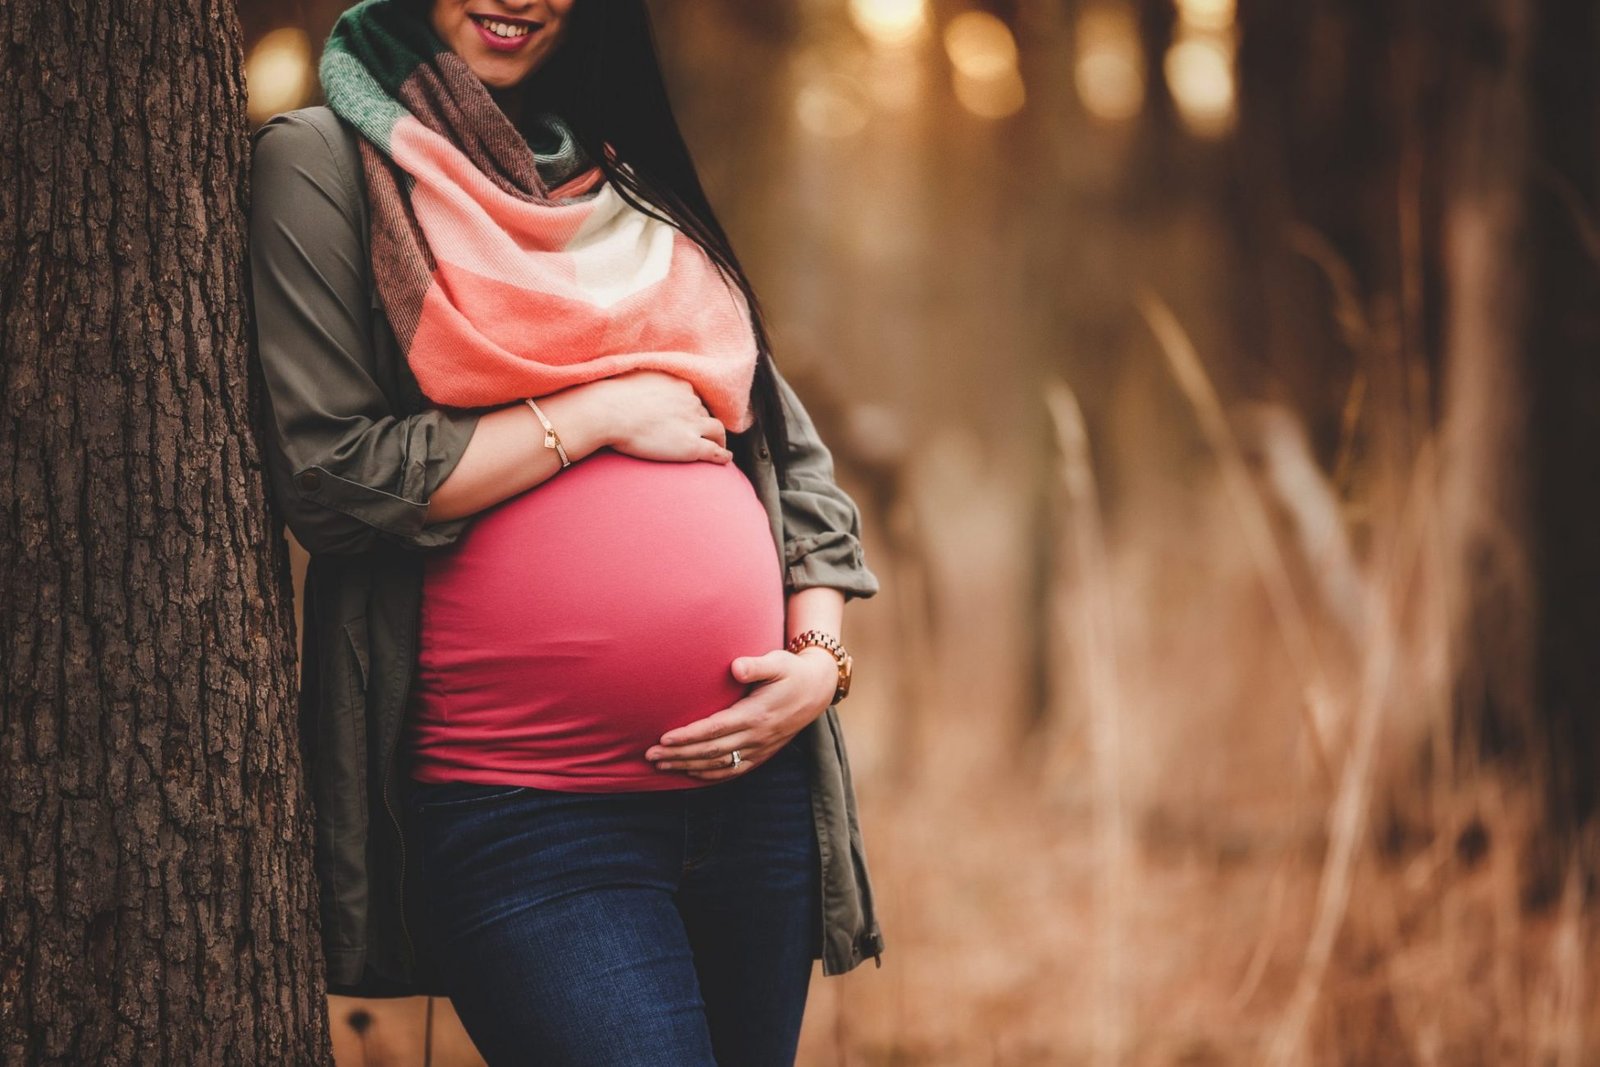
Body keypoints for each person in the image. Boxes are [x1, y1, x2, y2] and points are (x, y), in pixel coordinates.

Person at [246, 0, 885, 1063]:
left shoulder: (625, 175)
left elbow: (793, 468)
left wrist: (819, 664)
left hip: (754, 799)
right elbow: (329, 476)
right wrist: (590, 414)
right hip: (526, 809)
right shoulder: (321, 162)